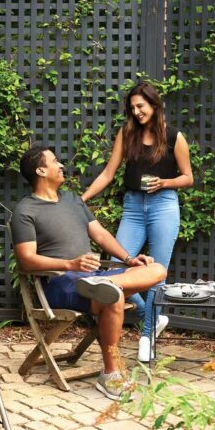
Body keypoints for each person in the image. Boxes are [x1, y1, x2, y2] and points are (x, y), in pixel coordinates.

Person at [12, 144, 166, 400]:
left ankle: (109, 285)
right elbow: (27, 261)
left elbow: (101, 235)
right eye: (54, 161)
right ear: (40, 170)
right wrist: (70, 265)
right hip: (60, 283)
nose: (61, 165)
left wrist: (129, 259)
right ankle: (111, 374)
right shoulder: (25, 211)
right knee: (113, 296)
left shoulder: (73, 200)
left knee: (156, 269)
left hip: (94, 279)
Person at [81, 82, 193, 362]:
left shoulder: (174, 137)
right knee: (117, 269)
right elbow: (108, 173)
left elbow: (188, 177)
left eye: (141, 106)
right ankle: (150, 318)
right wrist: (80, 201)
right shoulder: (127, 133)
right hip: (133, 207)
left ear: (154, 105)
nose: (136, 111)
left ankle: (146, 335)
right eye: (132, 107)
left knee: (155, 272)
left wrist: (165, 182)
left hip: (163, 206)